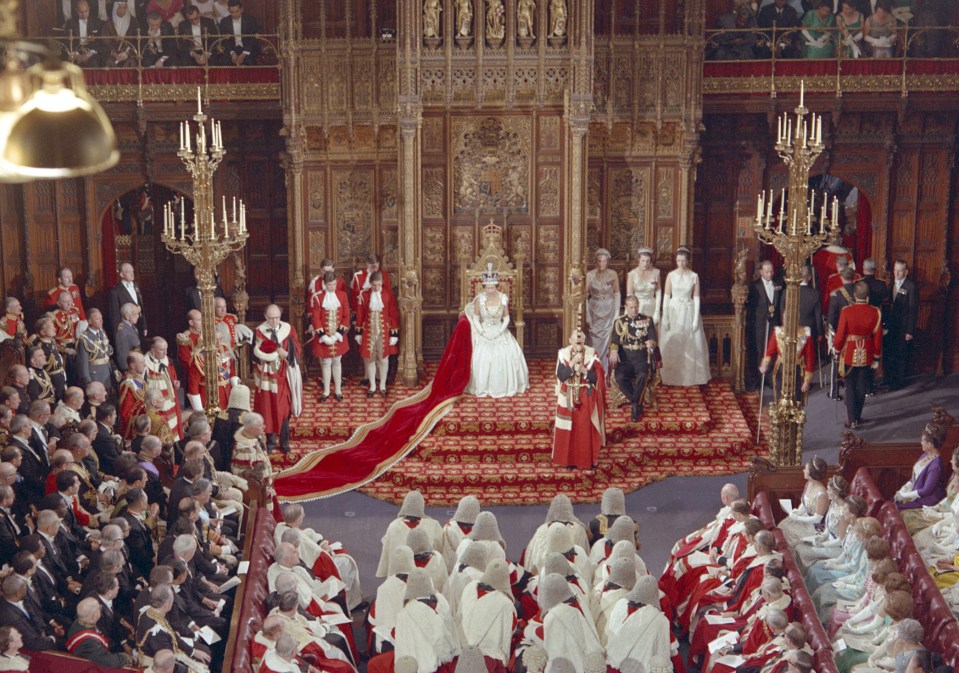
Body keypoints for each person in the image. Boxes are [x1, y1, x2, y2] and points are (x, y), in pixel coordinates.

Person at [463, 266, 529, 399]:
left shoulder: (503, 299)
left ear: (497, 286)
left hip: (500, 331)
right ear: (484, 287)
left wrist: (500, 331)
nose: (490, 290)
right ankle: (481, 386)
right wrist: (482, 332)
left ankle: (505, 386)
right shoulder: (479, 300)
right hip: (484, 332)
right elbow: (475, 318)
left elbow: (507, 318)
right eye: (487, 288)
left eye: (492, 288)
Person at [552, 328, 605, 470]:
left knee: (583, 429)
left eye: (581, 343)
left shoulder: (591, 355)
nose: (578, 346)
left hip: (585, 397)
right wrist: (571, 363)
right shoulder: (563, 354)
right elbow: (561, 376)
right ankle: (567, 461)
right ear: (570, 341)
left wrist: (584, 371)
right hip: (567, 396)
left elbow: (598, 379)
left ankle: (585, 461)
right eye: (576, 342)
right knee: (568, 429)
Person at [253, 304, 303, 453]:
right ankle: (270, 442)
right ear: (265, 317)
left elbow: (297, 348)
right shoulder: (260, 331)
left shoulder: (288, 329)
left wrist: (287, 353)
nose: (274, 321)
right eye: (271, 318)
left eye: (277, 317)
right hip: (268, 377)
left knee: (284, 409)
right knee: (268, 409)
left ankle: (284, 441)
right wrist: (275, 350)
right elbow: (258, 351)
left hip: (284, 375)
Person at [659, 247, 711, 387]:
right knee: (673, 343)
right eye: (678, 260)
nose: (681, 263)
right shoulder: (671, 275)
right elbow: (666, 297)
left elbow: (696, 298)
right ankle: (671, 377)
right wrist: (665, 317)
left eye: (683, 261)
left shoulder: (694, 276)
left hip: (688, 311)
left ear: (688, 261)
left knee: (690, 344)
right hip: (674, 310)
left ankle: (689, 377)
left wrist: (695, 320)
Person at [834, 282, 882, 429]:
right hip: (866, 352)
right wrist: (876, 356)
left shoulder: (847, 311)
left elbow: (841, 334)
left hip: (849, 352)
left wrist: (836, 349)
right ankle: (858, 416)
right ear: (867, 296)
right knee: (861, 385)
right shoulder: (876, 312)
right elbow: (877, 337)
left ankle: (852, 420)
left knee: (849, 386)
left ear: (854, 295)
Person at [609, 296, 658, 422]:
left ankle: (635, 406)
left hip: (641, 358)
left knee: (643, 375)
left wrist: (651, 343)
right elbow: (614, 341)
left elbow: (653, 338)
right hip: (625, 359)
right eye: (631, 307)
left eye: (636, 306)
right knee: (620, 378)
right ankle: (637, 403)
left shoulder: (647, 320)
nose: (634, 310)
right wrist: (614, 352)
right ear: (625, 307)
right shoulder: (619, 322)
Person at [355, 272, 399, 399]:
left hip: (383, 333)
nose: (376, 287)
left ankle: (383, 386)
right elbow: (360, 314)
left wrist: (394, 333)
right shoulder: (364, 295)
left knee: (384, 359)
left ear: (382, 283)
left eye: (379, 285)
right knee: (370, 359)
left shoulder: (388, 295)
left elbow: (393, 314)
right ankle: (373, 386)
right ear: (370, 283)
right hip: (368, 332)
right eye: (374, 285)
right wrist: (358, 332)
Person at [177, 310, 231, 412]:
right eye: (199, 320)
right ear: (191, 322)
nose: (202, 322)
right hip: (198, 375)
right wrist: (202, 367)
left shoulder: (207, 334)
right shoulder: (186, 338)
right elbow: (186, 361)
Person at [309, 272, 350, 403]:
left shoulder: (342, 295)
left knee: (337, 362)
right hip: (324, 338)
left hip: (339, 337)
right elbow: (315, 318)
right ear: (324, 284)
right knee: (326, 363)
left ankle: (338, 390)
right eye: (329, 284)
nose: (332, 287)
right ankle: (326, 390)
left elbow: (346, 316)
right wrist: (323, 336)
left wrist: (338, 334)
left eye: (334, 284)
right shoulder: (317, 297)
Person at [758, 323, 816, 403]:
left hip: (797, 370)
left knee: (796, 400)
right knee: (780, 399)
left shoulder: (805, 334)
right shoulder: (778, 332)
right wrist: (765, 363)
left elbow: (810, 358)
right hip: (781, 370)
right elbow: (770, 352)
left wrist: (807, 380)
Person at [747, 260, 782, 391]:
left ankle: (770, 378)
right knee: (760, 349)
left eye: (771, 271)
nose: (770, 274)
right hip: (760, 324)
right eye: (767, 272)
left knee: (772, 350)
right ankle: (759, 378)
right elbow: (751, 307)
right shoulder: (754, 286)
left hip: (774, 323)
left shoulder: (778, 284)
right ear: (761, 272)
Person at [884, 259, 917, 390]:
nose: (896, 273)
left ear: (906, 272)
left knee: (901, 355)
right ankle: (889, 380)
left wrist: (909, 331)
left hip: (903, 327)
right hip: (891, 326)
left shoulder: (911, 287)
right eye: (895, 270)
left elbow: (913, 311)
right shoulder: (891, 284)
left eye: (900, 270)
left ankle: (898, 382)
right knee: (890, 353)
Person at [893, 428, 946, 511]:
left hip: (928, 499)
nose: (921, 443)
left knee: (896, 507)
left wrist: (904, 496)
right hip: (917, 494)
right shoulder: (925, 455)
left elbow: (926, 490)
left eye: (923, 441)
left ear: (930, 445)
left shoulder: (936, 465)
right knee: (893, 502)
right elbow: (913, 479)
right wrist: (902, 490)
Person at [586, 249, 620, 371]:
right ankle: (594, 369)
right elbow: (584, 296)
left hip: (609, 309)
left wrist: (616, 313)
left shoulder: (613, 274)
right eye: (599, 261)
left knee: (608, 338)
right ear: (596, 261)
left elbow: (617, 293)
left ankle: (606, 371)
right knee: (594, 339)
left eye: (604, 261)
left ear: (608, 262)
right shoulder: (590, 275)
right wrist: (587, 315)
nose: (602, 264)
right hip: (594, 308)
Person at [827, 267, 857, 400]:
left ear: (841, 278)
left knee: (836, 361)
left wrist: (833, 333)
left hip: (842, 333)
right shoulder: (860, 291)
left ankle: (834, 392)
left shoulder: (837, 295)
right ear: (854, 277)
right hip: (856, 333)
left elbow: (831, 318)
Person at [75, 309, 114, 392]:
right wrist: (87, 382)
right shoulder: (84, 339)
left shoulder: (102, 333)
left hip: (107, 374)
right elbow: (83, 364)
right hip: (95, 378)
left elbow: (109, 350)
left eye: (101, 318)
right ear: (90, 321)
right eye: (97, 319)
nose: (101, 321)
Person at [107, 262, 147, 341]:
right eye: (129, 272)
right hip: (126, 329)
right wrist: (118, 334)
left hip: (139, 326)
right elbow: (115, 315)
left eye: (132, 271)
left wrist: (144, 325)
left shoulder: (136, 286)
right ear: (121, 275)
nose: (132, 274)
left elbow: (141, 308)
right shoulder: (115, 292)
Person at [626, 247, 662, 327]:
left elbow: (658, 293)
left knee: (650, 332)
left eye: (647, 261)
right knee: (637, 331)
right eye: (643, 261)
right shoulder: (632, 274)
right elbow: (630, 295)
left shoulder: (656, 272)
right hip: (637, 307)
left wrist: (657, 311)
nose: (645, 263)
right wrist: (632, 310)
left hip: (651, 307)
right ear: (638, 260)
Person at [218, 0, 260, 65]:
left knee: (250, 62)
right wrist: (232, 53)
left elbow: (253, 39)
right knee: (225, 62)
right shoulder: (224, 22)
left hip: (247, 48)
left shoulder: (250, 20)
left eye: (237, 11)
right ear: (228, 10)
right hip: (231, 48)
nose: (234, 14)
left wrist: (244, 53)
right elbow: (224, 41)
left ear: (241, 9)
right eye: (232, 12)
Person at [64, 0, 104, 67]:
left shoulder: (97, 21)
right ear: (76, 10)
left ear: (89, 9)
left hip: (92, 51)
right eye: (81, 12)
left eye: (86, 11)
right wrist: (77, 56)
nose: (83, 15)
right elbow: (68, 42)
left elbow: (101, 42)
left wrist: (94, 39)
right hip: (76, 50)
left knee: (94, 63)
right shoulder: (70, 23)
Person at [102, 0, 138, 67]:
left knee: (132, 61)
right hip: (113, 55)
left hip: (128, 54)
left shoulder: (133, 21)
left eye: (124, 8)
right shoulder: (108, 23)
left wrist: (127, 53)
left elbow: (136, 42)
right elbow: (105, 43)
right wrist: (114, 54)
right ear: (115, 8)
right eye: (119, 8)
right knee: (109, 62)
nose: (122, 11)